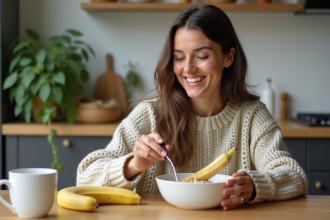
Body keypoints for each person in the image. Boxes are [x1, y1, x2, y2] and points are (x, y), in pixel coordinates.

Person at [77, 5, 307, 210]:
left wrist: (256, 186)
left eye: (202, 56)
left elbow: (294, 176)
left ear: (228, 57)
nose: (188, 68)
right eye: (179, 58)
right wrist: (134, 164)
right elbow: (85, 177)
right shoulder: (150, 113)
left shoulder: (252, 115)